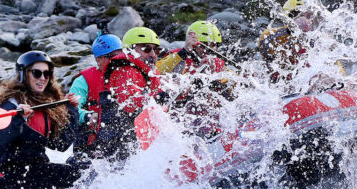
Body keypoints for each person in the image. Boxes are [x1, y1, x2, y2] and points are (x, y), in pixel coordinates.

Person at [0, 51, 82, 189]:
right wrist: (19, 120)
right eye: (37, 73)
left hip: (37, 169)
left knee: (83, 169)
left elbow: (61, 144)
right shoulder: (11, 104)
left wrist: (72, 110)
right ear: (23, 74)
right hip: (16, 175)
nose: (42, 78)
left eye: (47, 74)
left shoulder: (45, 105)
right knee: (77, 175)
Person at [77, 27, 164, 162]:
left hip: (129, 140)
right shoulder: (121, 71)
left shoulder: (147, 71)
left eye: (156, 50)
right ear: (97, 58)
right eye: (147, 49)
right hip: (110, 144)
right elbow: (130, 104)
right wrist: (87, 115)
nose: (153, 54)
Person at [156, 20, 234, 138]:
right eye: (204, 45)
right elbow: (158, 70)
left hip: (205, 116)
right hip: (177, 111)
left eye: (213, 45)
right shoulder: (178, 55)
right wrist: (185, 53)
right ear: (193, 44)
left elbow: (232, 80)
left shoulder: (217, 62)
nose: (208, 49)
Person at [68, 33, 124, 159]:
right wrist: (88, 116)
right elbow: (71, 109)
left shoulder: (127, 77)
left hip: (118, 139)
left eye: (121, 56)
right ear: (98, 60)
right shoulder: (83, 81)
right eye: (113, 57)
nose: (118, 60)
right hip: (89, 142)